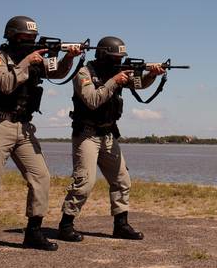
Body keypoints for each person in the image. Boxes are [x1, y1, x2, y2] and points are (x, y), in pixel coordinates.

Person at [0, 16, 82, 252]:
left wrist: (69, 58)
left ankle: (33, 232)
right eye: (25, 37)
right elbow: (5, 84)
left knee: (41, 177)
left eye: (33, 37)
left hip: (24, 127)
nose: (29, 41)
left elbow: (57, 73)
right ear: (12, 36)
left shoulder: (36, 59)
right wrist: (27, 61)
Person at [57, 36, 165, 242]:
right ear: (103, 55)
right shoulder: (84, 73)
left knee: (122, 179)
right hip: (87, 135)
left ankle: (121, 225)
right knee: (84, 182)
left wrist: (152, 74)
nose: (118, 61)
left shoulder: (119, 73)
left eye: (120, 58)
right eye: (115, 57)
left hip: (108, 135)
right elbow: (92, 100)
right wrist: (114, 81)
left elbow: (139, 84)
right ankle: (66, 225)